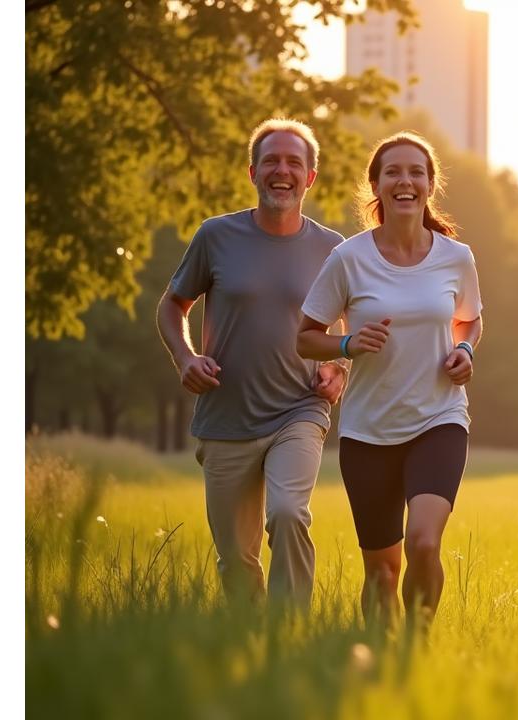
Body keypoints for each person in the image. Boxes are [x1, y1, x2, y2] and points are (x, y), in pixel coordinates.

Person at [157, 118, 347, 608]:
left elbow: (352, 320)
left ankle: (291, 634)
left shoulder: (333, 249)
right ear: (253, 172)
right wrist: (185, 357)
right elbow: (171, 305)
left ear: (310, 177)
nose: (281, 170)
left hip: (299, 410)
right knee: (236, 559)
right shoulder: (216, 236)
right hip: (225, 416)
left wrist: (339, 368)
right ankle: (249, 638)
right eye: (271, 161)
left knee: (287, 512)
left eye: (293, 163)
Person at [297, 132, 482, 628]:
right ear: (376, 186)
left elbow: (469, 319)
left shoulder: (456, 256)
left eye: (416, 172)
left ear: (430, 185)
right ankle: (380, 657)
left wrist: (463, 348)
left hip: (439, 419)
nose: (406, 181)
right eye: (394, 172)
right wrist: (346, 345)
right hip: (368, 430)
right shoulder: (348, 259)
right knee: (382, 571)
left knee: (424, 541)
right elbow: (306, 338)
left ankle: (416, 647)